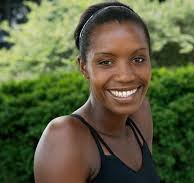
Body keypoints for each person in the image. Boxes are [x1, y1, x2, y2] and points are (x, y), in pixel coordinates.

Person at [34, 1, 160, 183]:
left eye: (138, 59)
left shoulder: (140, 115)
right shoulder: (65, 137)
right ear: (84, 67)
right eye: (105, 62)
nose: (125, 76)